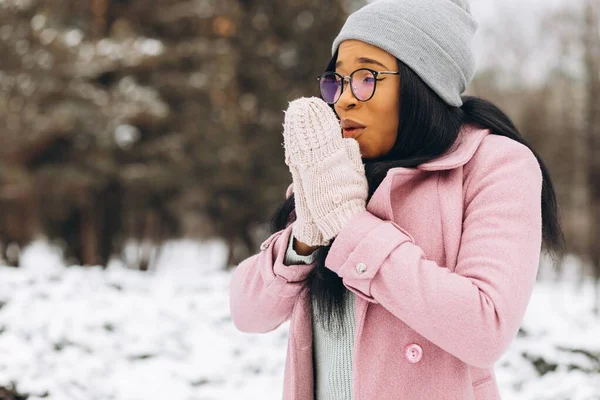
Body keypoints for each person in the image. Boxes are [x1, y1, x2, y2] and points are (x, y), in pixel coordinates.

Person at [229, 0, 565, 399]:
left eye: (366, 77)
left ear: (423, 81)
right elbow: (247, 314)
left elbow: (486, 325)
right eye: (336, 81)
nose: (344, 99)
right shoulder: (338, 172)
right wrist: (306, 237)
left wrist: (351, 227)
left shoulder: (495, 164)